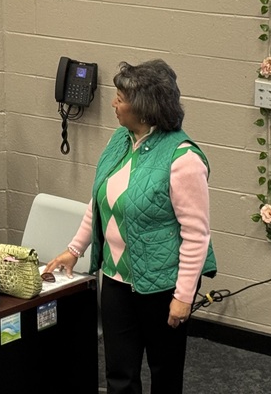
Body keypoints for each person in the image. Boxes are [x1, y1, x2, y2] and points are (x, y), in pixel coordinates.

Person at [45, 59, 216, 394]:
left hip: (162, 286)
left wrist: (183, 297)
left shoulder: (183, 159)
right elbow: (100, 202)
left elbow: (196, 236)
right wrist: (74, 249)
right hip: (116, 280)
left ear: (144, 108)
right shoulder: (120, 141)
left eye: (121, 99)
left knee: (164, 374)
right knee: (119, 374)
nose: (114, 103)